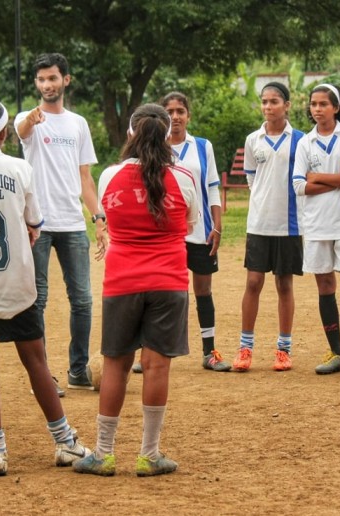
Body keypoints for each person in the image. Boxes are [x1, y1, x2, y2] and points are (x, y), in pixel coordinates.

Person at [0, 99, 90, 476]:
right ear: (5, 133)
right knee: (36, 363)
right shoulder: (21, 168)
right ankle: (65, 442)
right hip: (15, 285)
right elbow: (34, 222)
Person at [73, 104, 196, 477]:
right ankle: (149, 454)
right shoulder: (185, 177)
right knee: (157, 367)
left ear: (131, 133)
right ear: (166, 135)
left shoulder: (110, 176)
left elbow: (107, 218)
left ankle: (104, 453)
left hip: (122, 281)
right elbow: (189, 224)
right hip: (169, 282)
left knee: (116, 364)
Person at [14, 53, 106, 393]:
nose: (46, 85)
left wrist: (98, 217)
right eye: (41, 80)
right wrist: (30, 122)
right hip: (37, 223)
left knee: (82, 299)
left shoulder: (78, 123)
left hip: (72, 223)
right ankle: (43, 375)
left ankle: (78, 369)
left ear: (66, 80)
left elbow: (86, 176)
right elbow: (21, 132)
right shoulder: (29, 119)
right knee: (37, 300)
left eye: (52, 78)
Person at [293, 83, 340, 376]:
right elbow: (299, 186)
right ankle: (336, 353)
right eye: (313, 104)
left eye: (324, 104)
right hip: (315, 224)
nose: (317, 109)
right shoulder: (305, 143)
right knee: (325, 287)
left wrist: (321, 178)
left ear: (336, 107)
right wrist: (339, 176)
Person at [232, 82, 304, 372]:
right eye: (264, 101)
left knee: (284, 283)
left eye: (274, 101)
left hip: (289, 224)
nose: (268, 106)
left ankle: (283, 349)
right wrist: (262, 201)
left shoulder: (300, 140)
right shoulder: (254, 140)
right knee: (253, 282)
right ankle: (245, 348)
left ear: (287, 105)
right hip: (259, 222)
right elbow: (252, 179)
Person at [162, 92, 230, 372]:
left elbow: (212, 186)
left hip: (200, 232)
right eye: (169, 111)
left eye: (180, 111)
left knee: (203, 290)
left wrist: (217, 224)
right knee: (163, 293)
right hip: (167, 234)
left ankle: (209, 351)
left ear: (188, 115)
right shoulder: (155, 147)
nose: (175, 116)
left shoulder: (202, 146)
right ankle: (155, 351)